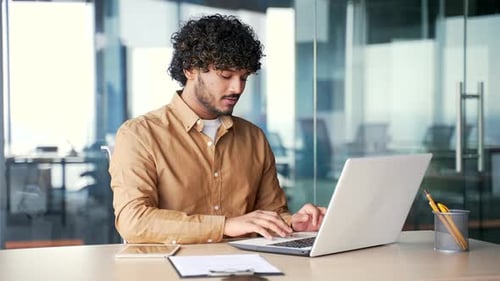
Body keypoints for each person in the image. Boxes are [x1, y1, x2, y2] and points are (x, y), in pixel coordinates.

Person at [109, 14, 326, 244]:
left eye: (244, 77)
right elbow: (133, 221)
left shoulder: (254, 138)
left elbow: (270, 214)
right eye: (226, 75)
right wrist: (225, 226)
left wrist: (293, 223)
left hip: (245, 272)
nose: (237, 88)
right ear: (190, 69)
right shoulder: (140, 135)